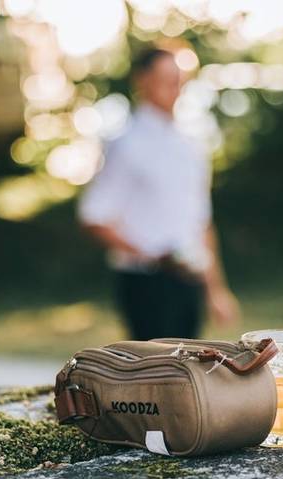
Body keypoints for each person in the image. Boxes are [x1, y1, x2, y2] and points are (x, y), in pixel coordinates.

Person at [78, 48, 239, 341]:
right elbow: (95, 216)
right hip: (146, 283)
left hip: (189, 279)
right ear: (143, 80)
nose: (174, 88)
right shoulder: (125, 144)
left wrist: (215, 289)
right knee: (155, 378)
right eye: (166, 79)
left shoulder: (191, 144)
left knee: (190, 376)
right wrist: (150, 255)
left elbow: (201, 223)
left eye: (178, 80)